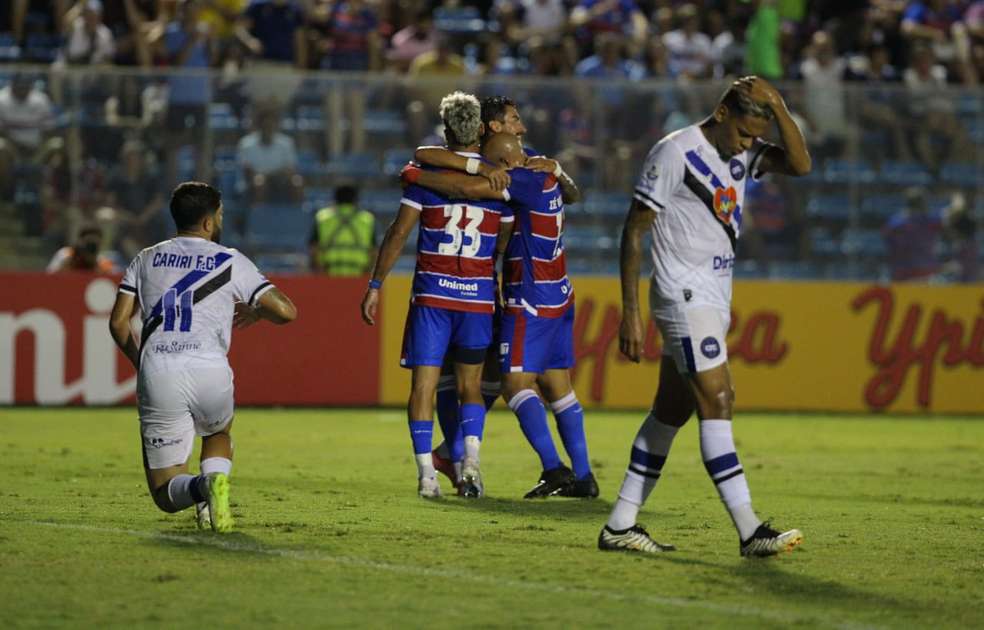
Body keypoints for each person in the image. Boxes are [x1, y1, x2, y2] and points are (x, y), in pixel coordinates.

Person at [600, 76, 811, 557]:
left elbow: (801, 165)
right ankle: (750, 530)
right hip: (683, 295)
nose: (748, 144)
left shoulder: (741, 152)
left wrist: (777, 105)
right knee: (718, 398)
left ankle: (620, 524)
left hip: (714, 295)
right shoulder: (676, 152)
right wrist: (630, 312)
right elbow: (634, 230)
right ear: (721, 114)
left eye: (756, 137)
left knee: (671, 410)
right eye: (744, 133)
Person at [404, 133, 597, 499]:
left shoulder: (520, 178)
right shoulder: (542, 170)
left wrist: (416, 177)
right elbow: (571, 193)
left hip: (530, 297)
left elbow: (465, 189)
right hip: (558, 291)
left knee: (514, 385)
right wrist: (558, 170)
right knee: (556, 386)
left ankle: (553, 468)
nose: (520, 127)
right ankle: (585, 476)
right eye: (513, 120)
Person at [108, 181, 297, 533]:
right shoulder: (231, 259)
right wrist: (257, 313)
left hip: (160, 371)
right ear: (209, 222)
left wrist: (141, 361)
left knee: (165, 494)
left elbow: (118, 323)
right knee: (218, 431)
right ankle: (214, 485)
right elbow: (286, 311)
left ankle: (202, 489)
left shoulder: (145, 258)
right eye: (220, 215)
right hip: (211, 370)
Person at [360, 93, 514, 499]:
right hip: (476, 298)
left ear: (446, 130)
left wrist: (375, 285)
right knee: (471, 386)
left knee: (424, 386)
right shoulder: (500, 182)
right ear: (480, 129)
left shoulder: (424, 175)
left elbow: (398, 233)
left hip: (432, 296)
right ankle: (471, 463)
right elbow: (503, 242)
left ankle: (427, 475)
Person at [236, 106, 303, 203]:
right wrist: (264, 176)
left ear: (276, 125)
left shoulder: (287, 143)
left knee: (297, 181)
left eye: (271, 124)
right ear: (259, 125)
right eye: (265, 125)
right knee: (259, 182)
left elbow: (290, 169)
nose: (268, 127)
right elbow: (247, 170)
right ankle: (258, 211)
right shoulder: (246, 144)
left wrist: (272, 175)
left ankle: (297, 212)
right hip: (254, 182)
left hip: (280, 180)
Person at [309, 185, 376, 276]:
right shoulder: (367, 219)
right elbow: (374, 251)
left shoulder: (322, 218)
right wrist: (368, 273)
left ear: (335, 199)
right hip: (359, 274)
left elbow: (313, 249)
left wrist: (319, 272)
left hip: (329, 274)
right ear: (356, 200)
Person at [46, 223, 118, 273]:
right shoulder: (65, 254)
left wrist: (95, 265)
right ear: (79, 241)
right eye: (87, 241)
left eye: (94, 243)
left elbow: (114, 281)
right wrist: (72, 262)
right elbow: (49, 276)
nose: (90, 245)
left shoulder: (103, 262)